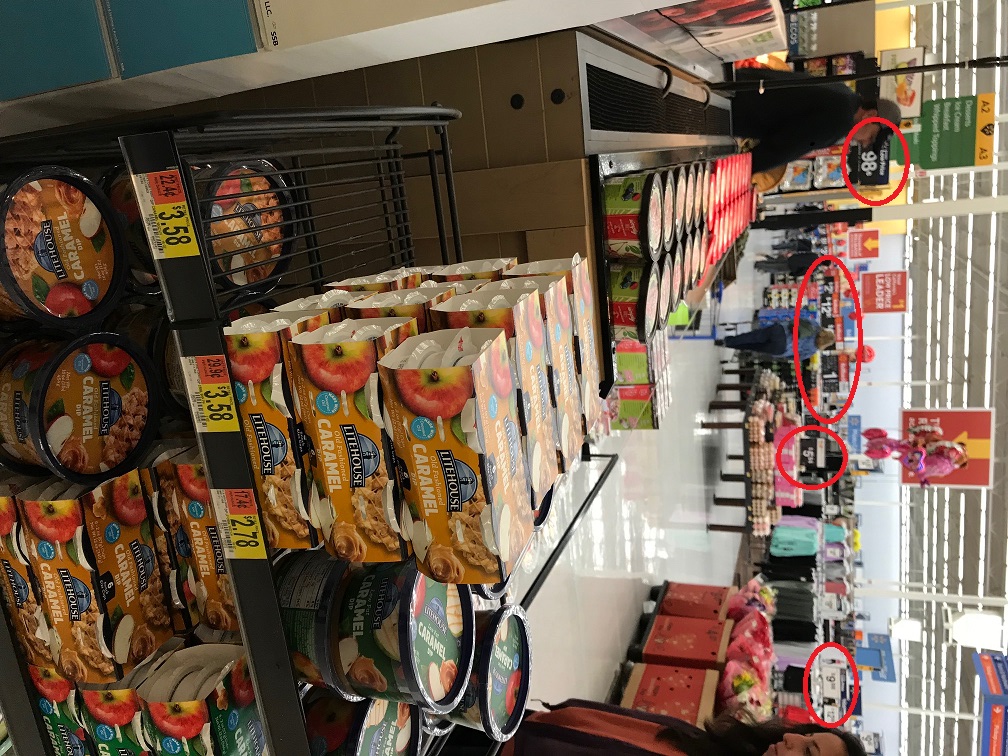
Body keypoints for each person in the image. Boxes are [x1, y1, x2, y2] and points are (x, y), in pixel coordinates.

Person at [731, 67, 902, 174]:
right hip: (734, 109)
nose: (865, 144)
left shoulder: (843, 91)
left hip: (737, 82)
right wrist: (741, 171)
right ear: (870, 116)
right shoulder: (841, 120)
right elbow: (785, 145)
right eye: (871, 137)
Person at [716, 319, 835, 361]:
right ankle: (728, 345)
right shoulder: (813, 349)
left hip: (780, 331)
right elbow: (796, 358)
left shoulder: (815, 326)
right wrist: (784, 355)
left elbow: (797, 320)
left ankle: (726, 341)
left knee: (752, 336)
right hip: (780, 348)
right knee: (753, 346)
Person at [754, 251, 821, 277]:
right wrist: (793, 274)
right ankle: (760, 265)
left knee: (776, 262)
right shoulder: (815, 268)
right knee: (776, 268)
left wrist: (793, 255)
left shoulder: (814, 255)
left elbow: (803, 254)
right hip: (792, 267)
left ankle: (761, 263)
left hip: (792, 259)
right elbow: (803, 271)